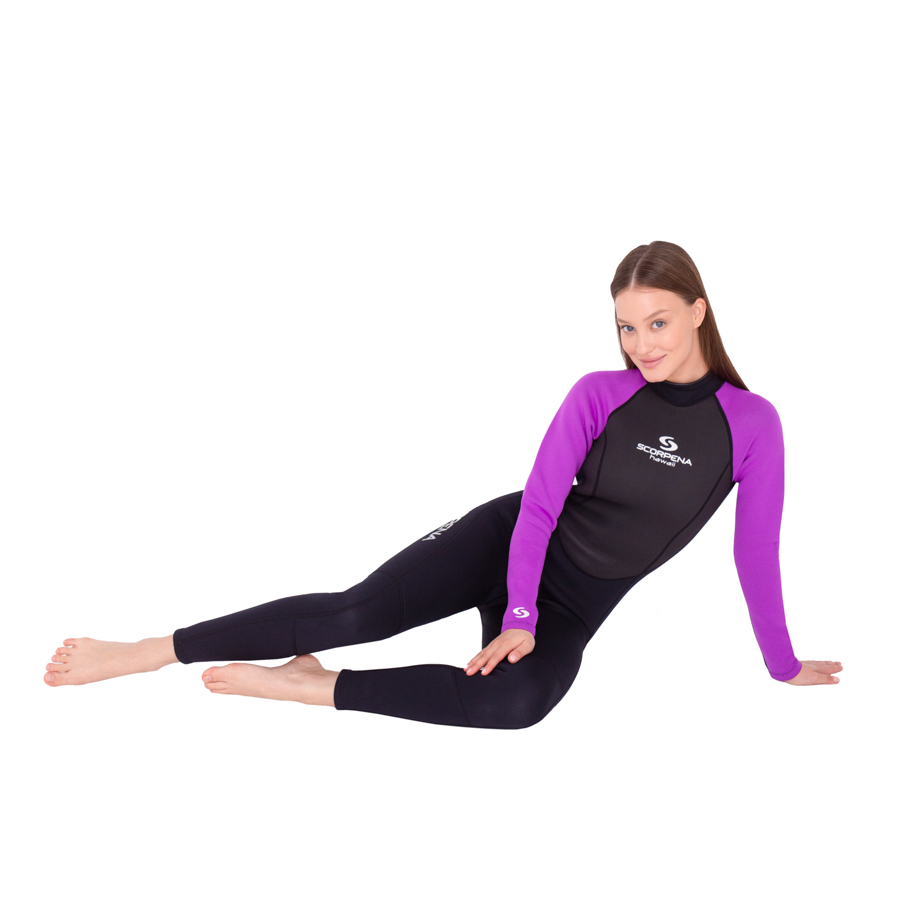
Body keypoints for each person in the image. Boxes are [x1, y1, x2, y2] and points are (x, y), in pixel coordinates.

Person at [42, 241, 842, 727]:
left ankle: (315, 686)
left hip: (573, 606)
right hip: (508, 544)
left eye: (657, 322)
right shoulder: (600, 393)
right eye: (626, 327)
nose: (641, 344)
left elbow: (754, 555)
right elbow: (539, 508)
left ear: (699, 311)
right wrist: (518, 610)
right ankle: (148, 651)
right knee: (357, 612)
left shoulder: (753, 424)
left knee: (518, 705)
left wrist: (780, 663)